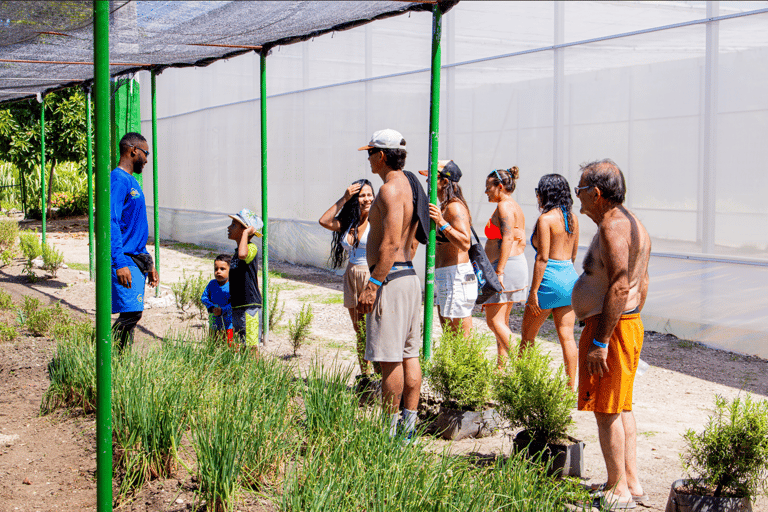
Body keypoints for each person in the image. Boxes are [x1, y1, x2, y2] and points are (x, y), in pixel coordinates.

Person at [572, 159, 651, 510]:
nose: (578, 196)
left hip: (612, 327)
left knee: (607, 412)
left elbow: (620, 286)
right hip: (624, 324)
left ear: (597, 193)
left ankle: (617, 489)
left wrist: (602, 341)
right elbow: (641, 282)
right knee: (622, 407)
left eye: (581, 190)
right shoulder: (631, 223)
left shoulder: (613, 228)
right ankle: (628, 481)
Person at [356, 128, 428, 440]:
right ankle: (407, 431)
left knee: (390, 360)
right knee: (410, 355)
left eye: (370, 152)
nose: (368, 158)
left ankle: (388, 433)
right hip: (408, 276)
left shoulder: (390, 190)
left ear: (382, 155)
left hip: (391, 279)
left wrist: (372, 284)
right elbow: (413, 241)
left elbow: (388, 244)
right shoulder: (411, 184)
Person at [521, 174, 580, 390]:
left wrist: (534, 291)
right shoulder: (572, 219)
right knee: (567, 337)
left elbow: (542, 257)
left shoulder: (545, 220)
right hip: (569, 277)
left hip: (549, 278)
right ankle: (570, 389)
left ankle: (523, 383)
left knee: (527, 336)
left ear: (545, 193)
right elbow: (573, 255)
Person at [319, 179, 376, 376]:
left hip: (370, 275)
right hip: (351, 275)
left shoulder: (378, 219)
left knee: (373, 329)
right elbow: (324, 221)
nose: (367, 199)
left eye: (370, 194)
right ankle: (366, 375)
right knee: (358, 329)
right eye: (362, 195)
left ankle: (379, 374)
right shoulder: (351, 221)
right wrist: (344, 198)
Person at [111, 132, 158, 352]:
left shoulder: (133, 182)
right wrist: (119, 262)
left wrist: (149, 263)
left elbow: (135, 227)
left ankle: (119, 362)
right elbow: (111, 222)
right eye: (145, 153)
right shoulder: (118, 180)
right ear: (133, 150)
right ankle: (106, 354)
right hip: (126, 260)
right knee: (131, 314)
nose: (147, 159)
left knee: (131, 315)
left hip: (137, 259)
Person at [422, 160, 476, 337]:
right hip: (447, 275)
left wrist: (441, 222)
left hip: (457, 275)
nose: (428, 183)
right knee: (449, 333)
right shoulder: (444, 206)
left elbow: (465, 242)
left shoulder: (454, 207)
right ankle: (454, 364)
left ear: (445, 181)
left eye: (431, 178)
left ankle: (470, 365)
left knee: (460, 336)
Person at [480, 167, 527, 368]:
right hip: (511, 265)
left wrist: (499, 271)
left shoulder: (504, 207)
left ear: (500, 186)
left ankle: (525, 365)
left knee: (493, 322)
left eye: (488, 187)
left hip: (503, 268)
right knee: (502, 321)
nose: (486, 192)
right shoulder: (513, 206)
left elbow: (508, 237)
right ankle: (502, 367)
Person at [226, 208, 263, 352]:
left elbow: (243, 254)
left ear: (246, 229)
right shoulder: (235, 254)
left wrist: (247, 234)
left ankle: (254, 371)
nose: (229, 228)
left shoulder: (251, 248)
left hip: (250, 306)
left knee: (251, 346)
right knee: (241, 344)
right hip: (238, 306)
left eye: (234, 225)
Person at [200, 254, 234, 344]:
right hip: (214, 321)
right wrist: (211, 307)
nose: (218, 272)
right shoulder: (212, 284)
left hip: (228, 324)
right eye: (216, 269)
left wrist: (222, 310)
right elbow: (204, 297)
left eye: (222, 269)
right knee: (213, 344)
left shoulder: (232, 286)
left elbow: (234, 303)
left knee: (228, 346)